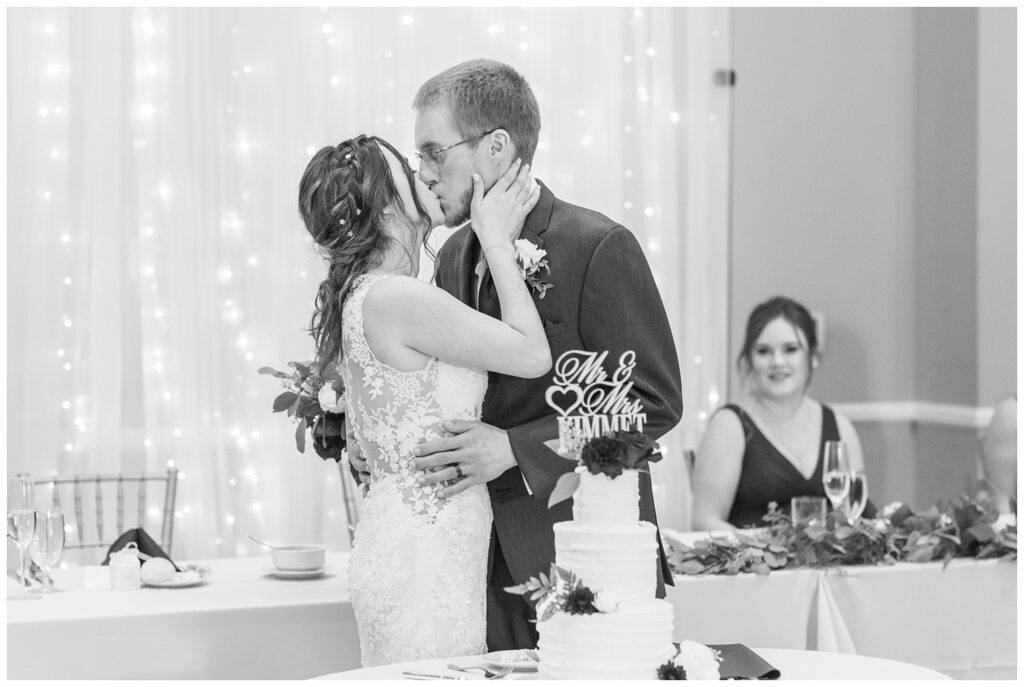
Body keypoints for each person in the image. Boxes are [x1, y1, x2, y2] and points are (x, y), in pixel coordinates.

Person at [374, 58, 682, 651]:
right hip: (473, 560)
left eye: (435, 152)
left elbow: (654, 404)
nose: (425, 174)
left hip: (573, 561)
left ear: (495, 146)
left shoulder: (597, 246)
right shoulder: (455, 255)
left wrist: (515, 449)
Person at [298, 134, 548, 666]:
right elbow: (531, 355)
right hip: (425, 556)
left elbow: (383, 420)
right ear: (387, 204)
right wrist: (498, 243)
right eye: (409, 169)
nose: (425, 175)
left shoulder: (365, 294)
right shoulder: (397, 296)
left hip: (409, 543)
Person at [692, 296, 875, 530]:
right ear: (748, 360)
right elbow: (704, 521)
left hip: (830, 566)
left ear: (813, 356)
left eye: (790, 349)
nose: (777, 361)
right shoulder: (729, 426)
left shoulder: (840, 426)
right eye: (763, 351)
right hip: (751, 564)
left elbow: (857, 514)